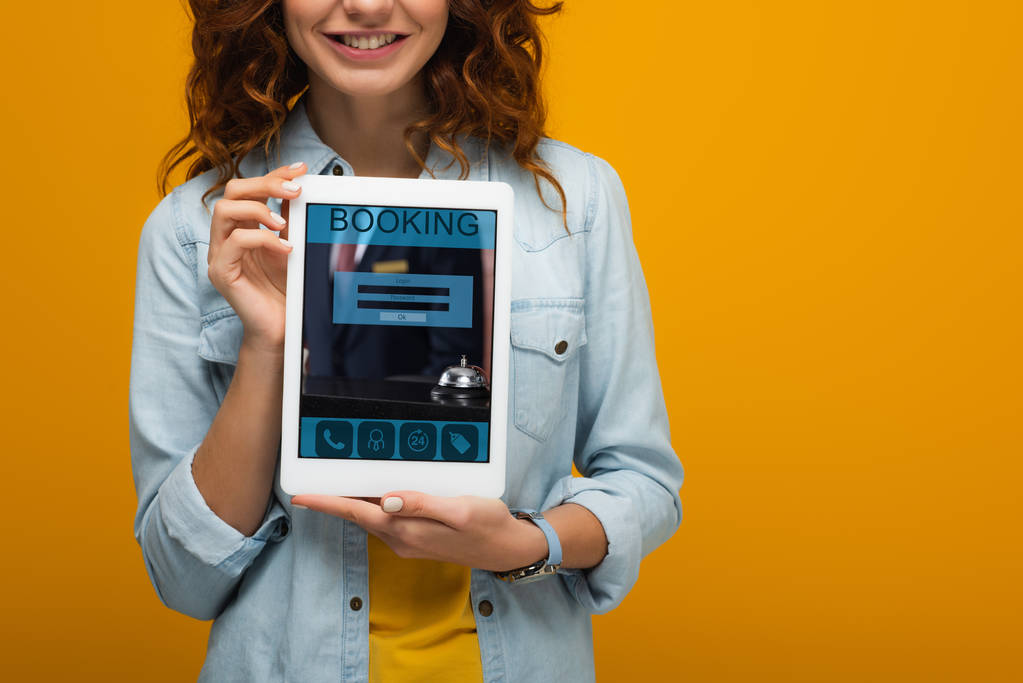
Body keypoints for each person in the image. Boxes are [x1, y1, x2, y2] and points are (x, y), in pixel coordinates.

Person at [129, 1, 684, 681]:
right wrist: (267, 344)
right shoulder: (196, 228)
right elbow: (183, 579)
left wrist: (521, 544)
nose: (364, 5)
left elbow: (644, 480)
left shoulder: (575, 200)